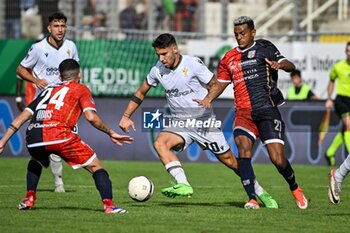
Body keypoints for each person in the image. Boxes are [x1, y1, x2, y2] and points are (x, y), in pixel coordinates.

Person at [119, 33, 278, 208]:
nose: (161, 59)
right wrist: (126, 116)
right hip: (181, 122)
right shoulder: (157, 70)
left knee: (232, 162)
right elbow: (141, 93)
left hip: (203, 122)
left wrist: (208, 99)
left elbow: (215, 84)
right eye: (158, 55)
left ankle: (260, 192)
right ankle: (184, 184)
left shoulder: (192, 64)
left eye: (164, 54)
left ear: (175, 49)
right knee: (160, 143)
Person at [0, 59, 133, 214]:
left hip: (34, 136)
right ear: (80, 75)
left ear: (60, 77)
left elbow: (22, 117)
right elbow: (91, 117)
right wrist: (111, 132)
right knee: (96, 166)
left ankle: (29, 198)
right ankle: (109, 205)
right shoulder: (81, 89)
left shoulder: (47, 90)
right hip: (60, 135)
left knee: (36, 159)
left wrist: (3, 141)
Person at [210, 16, 307, 209]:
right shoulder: (229, 57)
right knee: (243, 151)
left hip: (267, 111)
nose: (239, 37)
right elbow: (220, 84)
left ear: (253, 32)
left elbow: (290, 64)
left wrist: (280, 65)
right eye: (236, 34)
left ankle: (295, 187)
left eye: (243, 33)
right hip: (243, 113)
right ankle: (252, 199)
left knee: (278, 160)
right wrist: (207, 99)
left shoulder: (265, 47)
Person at [16, 12, 80, 193]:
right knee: (44, 147)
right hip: (43, 104)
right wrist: (35, 80)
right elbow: (20, 69)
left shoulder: (70, 46)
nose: (60, 30)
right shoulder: (37, 48)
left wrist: (76, 95)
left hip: (63, 103)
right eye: (56, 26)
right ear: (49, 28)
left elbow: (76, 72)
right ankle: (51, 183)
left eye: (63, 26)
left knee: (56, 145)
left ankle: (58, 181)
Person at [324, 41, 350, 166]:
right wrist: (329, 98)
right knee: (349, 125)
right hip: (342, 100)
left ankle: (330, 151)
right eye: (348, 51)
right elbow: (331, 81)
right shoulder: (338, 66)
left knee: (345, 129)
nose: (349, 53)